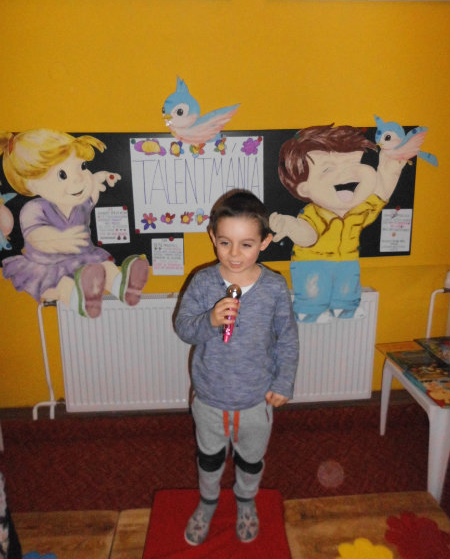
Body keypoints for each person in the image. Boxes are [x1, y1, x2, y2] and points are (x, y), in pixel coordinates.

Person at [175, 190, 299, 545]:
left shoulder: (274, 287)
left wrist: (284, 382)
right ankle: (208, 501)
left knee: (250, 458)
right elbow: (183, 328)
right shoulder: (202, 282)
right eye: (225, 242)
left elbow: (287, 339)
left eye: (246, 244)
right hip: (210, 395)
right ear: (212, 237)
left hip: (256, 398)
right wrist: (210, 320)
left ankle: (246, 501)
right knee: (209, 457)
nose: (234, 254)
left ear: (265, 242)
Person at [0, 129, 149, 317]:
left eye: (83, 166)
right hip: (49, 265)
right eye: (62, 174)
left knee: (106, 268)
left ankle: (126, 289)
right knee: (62, 285)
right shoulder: (34, 208)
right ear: (31, 183)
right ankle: (84, 302)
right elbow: (35, 235)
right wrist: (58, 239)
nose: (80, 178)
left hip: (83, 258)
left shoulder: (80, 203)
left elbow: (92, 188)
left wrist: (102, 177)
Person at [269, 124, 409, 323]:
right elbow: (308, 236)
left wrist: (391, 166)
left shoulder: (358, 210)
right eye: (328, 168)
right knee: (313, 290)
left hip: (347, 259)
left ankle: (345, 308)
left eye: (354, 162)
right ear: (305, 188)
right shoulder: (315, 213)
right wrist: (290, 226)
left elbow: (381, 192)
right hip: (313, 262)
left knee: (347, 285)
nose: (347, 174)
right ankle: (309, 311)